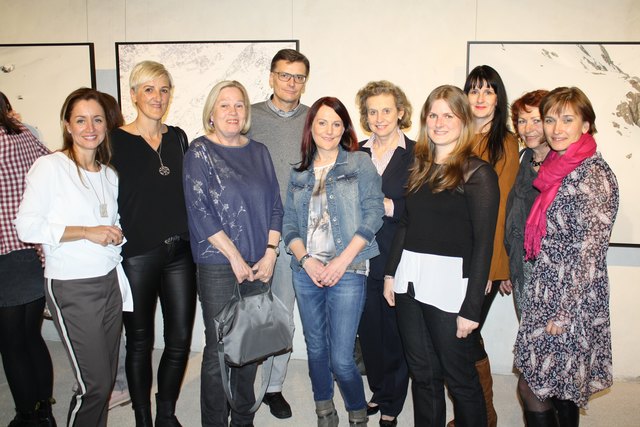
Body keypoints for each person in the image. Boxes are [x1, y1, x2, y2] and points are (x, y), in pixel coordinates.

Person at [15, 87, 133, 427]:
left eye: (97, 119)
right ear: (68, 124)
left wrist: (115, 232)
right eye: (81, 120)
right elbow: (27, 227)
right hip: (71, 285)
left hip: (109, 282)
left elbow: (111, 222)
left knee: (106, 379)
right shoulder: (50, 166)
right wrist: (85, 231)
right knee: (92, 385)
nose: (90, 127)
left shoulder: (109, 175)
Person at [383, 85, 499, 427]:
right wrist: (391, 274)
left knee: (460, 379)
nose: (439, 121)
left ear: (463, 120)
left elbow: (483, 245)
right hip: (410, 283)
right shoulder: (418, 166)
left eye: (448, 114)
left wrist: (471, 309)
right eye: (433, 114)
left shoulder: (478, 173)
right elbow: (405, 224)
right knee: (423, 374)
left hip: (450, 289)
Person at [514, 87, 618, 427]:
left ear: (585, 125)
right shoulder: (558, 167)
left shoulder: (593, 175)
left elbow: (590, 253)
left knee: (539, 387)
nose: (557, 128)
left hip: (568, 300)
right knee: (554, 386)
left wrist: (563, 312)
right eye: (550, 119)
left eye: (568, 119)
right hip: (545, 291)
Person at [183, 80, 283, 427]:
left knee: (250, 343)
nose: (232, 112)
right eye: (224, 105)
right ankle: (214, 421)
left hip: (260, 262)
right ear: (211, 112)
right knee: (220, 348)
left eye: (239, 105)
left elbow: (274, 207)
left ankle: (243, 419)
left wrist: (270, 253)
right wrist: (235, 258)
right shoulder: (199, 152)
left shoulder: (259, 152)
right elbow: (200, 212)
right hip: (218, 264)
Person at [282, 96, 384, 427]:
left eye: (336, 123)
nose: (329, 130)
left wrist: (342, 260)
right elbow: (288, 225)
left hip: (349, 270)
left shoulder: (359, 163)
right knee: (316, 350)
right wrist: (306, 260)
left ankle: (357, 410)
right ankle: (324, 410)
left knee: (341, 358)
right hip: (306, 272)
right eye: (322, 122)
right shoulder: (298, 173)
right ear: (311, 127)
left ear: (345, 129)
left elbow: (374, 213)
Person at [110, 60, 197, 427]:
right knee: (140, 343)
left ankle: (166, 413)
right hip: (137, 255)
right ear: (133, 95)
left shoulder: (178, 137)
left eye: (163, 89)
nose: (157, 97)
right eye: (148, 89)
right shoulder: (112, 140)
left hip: (181, 252)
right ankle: (142, 417)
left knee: (179, 339)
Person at [247, 48, 310, 419]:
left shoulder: (314, 118)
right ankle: (242, 384)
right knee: (248, 314)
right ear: (271, 77)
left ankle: (273, 387)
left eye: (299, 77)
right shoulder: (248, 116)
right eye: (285, 75)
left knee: (284, 314)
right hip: (251, 232)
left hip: (294, 235)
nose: (291, 82)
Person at [460, 65, 519, 427]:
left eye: (488, 90)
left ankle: (483, 415)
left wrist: (493, 269)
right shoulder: (458, 135)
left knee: (466, 334)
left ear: (498, 98)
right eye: (474, 90)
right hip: (454, 256)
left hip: (484, 259)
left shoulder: (505, 143)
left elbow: (501, 210)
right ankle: (478, 414)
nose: (480, 98)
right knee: (459, 334)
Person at [354, 80, 413, 427]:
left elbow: (420, 207)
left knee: (393, 331)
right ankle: (378, 387)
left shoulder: (417, 153)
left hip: (396, 254)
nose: (379, 118)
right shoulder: (354, 152)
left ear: (400, 112)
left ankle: (392, 399)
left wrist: (386, 206)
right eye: (372, 111)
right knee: (368, 330)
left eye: (386, 110)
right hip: (359, 257)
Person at [0, 91, 56, 426]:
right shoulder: (26, 137)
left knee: (11, 343)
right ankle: (45, 412)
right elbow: (53, 169)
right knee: (31, 336)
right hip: (34, 250)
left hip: (3, 255)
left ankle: (26, 416)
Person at [502, 90, 550, 320]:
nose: (528, 128)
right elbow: (511, 215)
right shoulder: (521, 159)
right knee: (528, 339)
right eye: (522, 121)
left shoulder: (565, 163)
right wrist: (508, 266)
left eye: (536, 120)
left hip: (553, 270)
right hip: (522, 266)